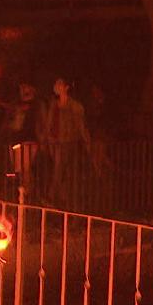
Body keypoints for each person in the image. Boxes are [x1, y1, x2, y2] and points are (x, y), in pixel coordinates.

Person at [44, 77, 91, 207]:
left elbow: (80, 126)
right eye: (55, 83)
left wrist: (86, 142)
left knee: (59, 168)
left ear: (66, 87)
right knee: (59, 169)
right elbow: (49, 122)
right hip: (54, 141)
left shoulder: (75, 106)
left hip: (66, 141)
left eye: (59, 84)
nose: (56, 86)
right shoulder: (54, 104)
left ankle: (51, 196)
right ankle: (63, 198)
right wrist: (46, 139)